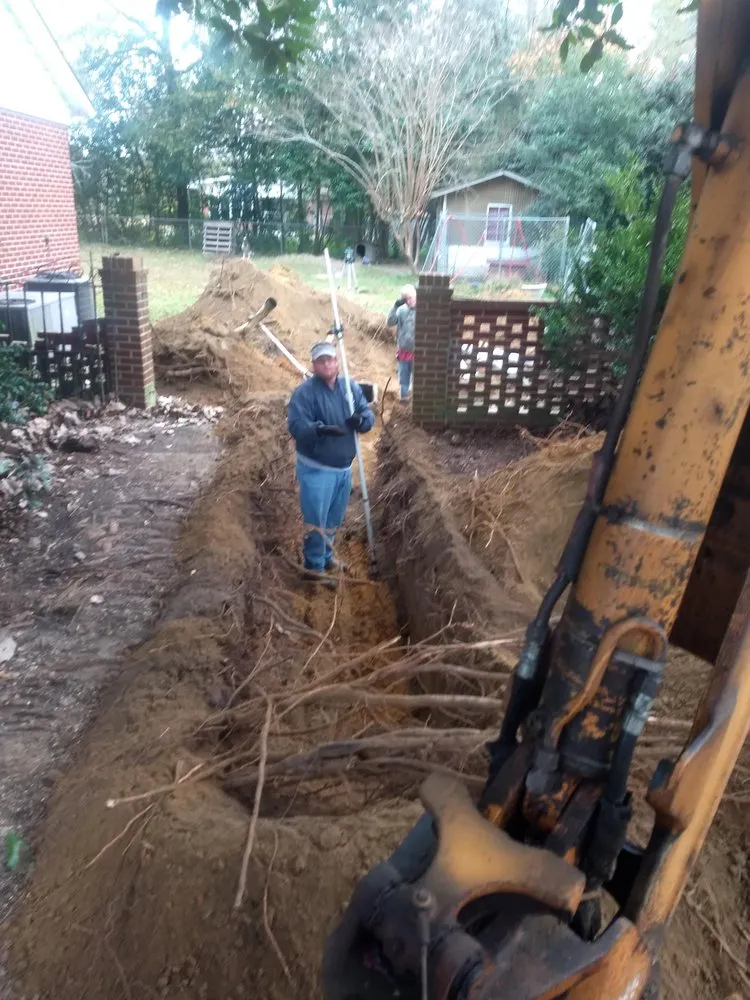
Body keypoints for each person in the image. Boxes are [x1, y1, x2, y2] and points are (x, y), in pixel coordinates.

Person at [287, 341, 375, 583]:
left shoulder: (350, 388)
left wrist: (362, 421)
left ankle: (326, 557)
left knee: (334, 518)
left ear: (337, 361)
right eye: (321, 360)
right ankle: (314, 567)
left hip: (344, 469)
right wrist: (321, 430)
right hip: (317, 469)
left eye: (330, 359)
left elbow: (368, 414)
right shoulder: (304, 393)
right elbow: (296, 425)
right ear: (314, 365)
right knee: (317, 519)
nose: (327, 364)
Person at [387, 284, 417, 402]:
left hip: (417, 351)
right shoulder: (401, 310)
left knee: (416, 378)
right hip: (404, 350)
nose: (409, 301)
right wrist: (395, 306)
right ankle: (404, 399)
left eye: (411, 298)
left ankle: (414, 400)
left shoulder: (422, 310)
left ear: (416, 295)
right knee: (403, 376)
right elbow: (390, 322)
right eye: (406, 299)